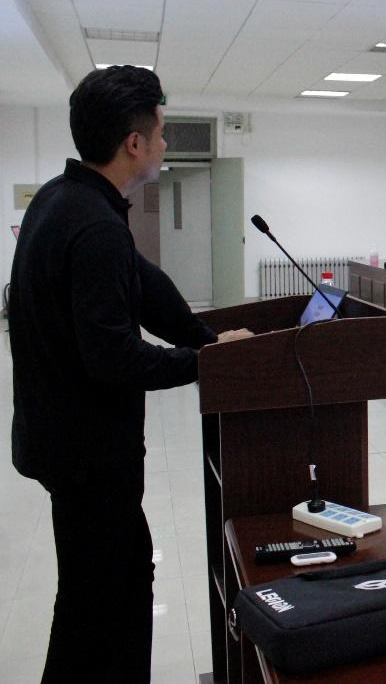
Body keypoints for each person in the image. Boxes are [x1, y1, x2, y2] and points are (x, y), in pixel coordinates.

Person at [9, 65, 253, 683]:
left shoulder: (64, 199)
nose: (166, 144)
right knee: (107, 604)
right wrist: (205, 363)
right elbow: (113, 357)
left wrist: (207, 339)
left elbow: (145, 287)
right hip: (88, 456)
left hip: (63, 446)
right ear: (135, 143)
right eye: (162, 133)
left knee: (89, 599)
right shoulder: (94, 225)